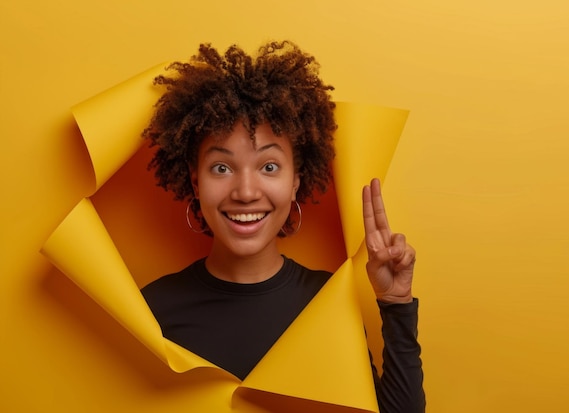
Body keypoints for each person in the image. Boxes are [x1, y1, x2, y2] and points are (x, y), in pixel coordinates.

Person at [140, 40, 425, 413]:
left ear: (295, 182)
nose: (245, 192)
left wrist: (397, 303)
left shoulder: (327, 303)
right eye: (221, 168)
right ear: (196, 182)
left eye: (269, 167)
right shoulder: (151, 311)